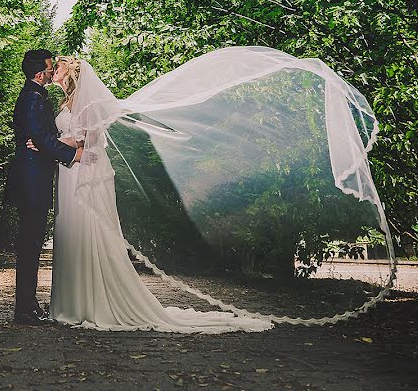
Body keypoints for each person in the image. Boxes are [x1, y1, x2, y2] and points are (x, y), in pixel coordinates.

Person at [29, 55, 274, 333]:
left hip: (85, 171)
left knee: (88, 230)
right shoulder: (62, 103)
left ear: (70, 72)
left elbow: (88, 139)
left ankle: (89, 303)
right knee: (71, 230)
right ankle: (70, 303)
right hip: (69, 169)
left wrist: (46, 143)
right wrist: (50, 143)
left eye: (57, 67)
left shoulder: (87, 103)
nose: (53, 70)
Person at [7, 49, 86, 326]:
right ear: (40, 73)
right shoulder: (33, 98)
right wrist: (71, 155)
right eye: (51, 68)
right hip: (32, 182)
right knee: (30, 245)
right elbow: (40, 136)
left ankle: (28, 305)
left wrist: (41, 143)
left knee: (32, 244)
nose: (53, 71)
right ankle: (25, 310)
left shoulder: (36, 95)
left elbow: (41, 137)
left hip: (33, 178)